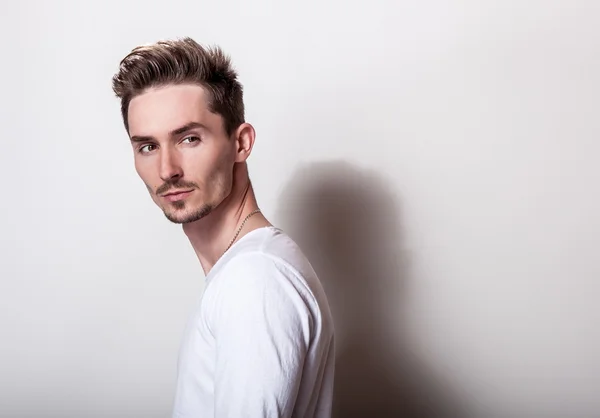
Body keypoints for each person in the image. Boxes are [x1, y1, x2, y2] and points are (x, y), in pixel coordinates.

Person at [111, 37, 335, 417]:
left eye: (189, 138)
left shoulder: (254, 280)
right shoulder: (244, 270)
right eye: (147, 146)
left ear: (241, 143)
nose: (167, 170)